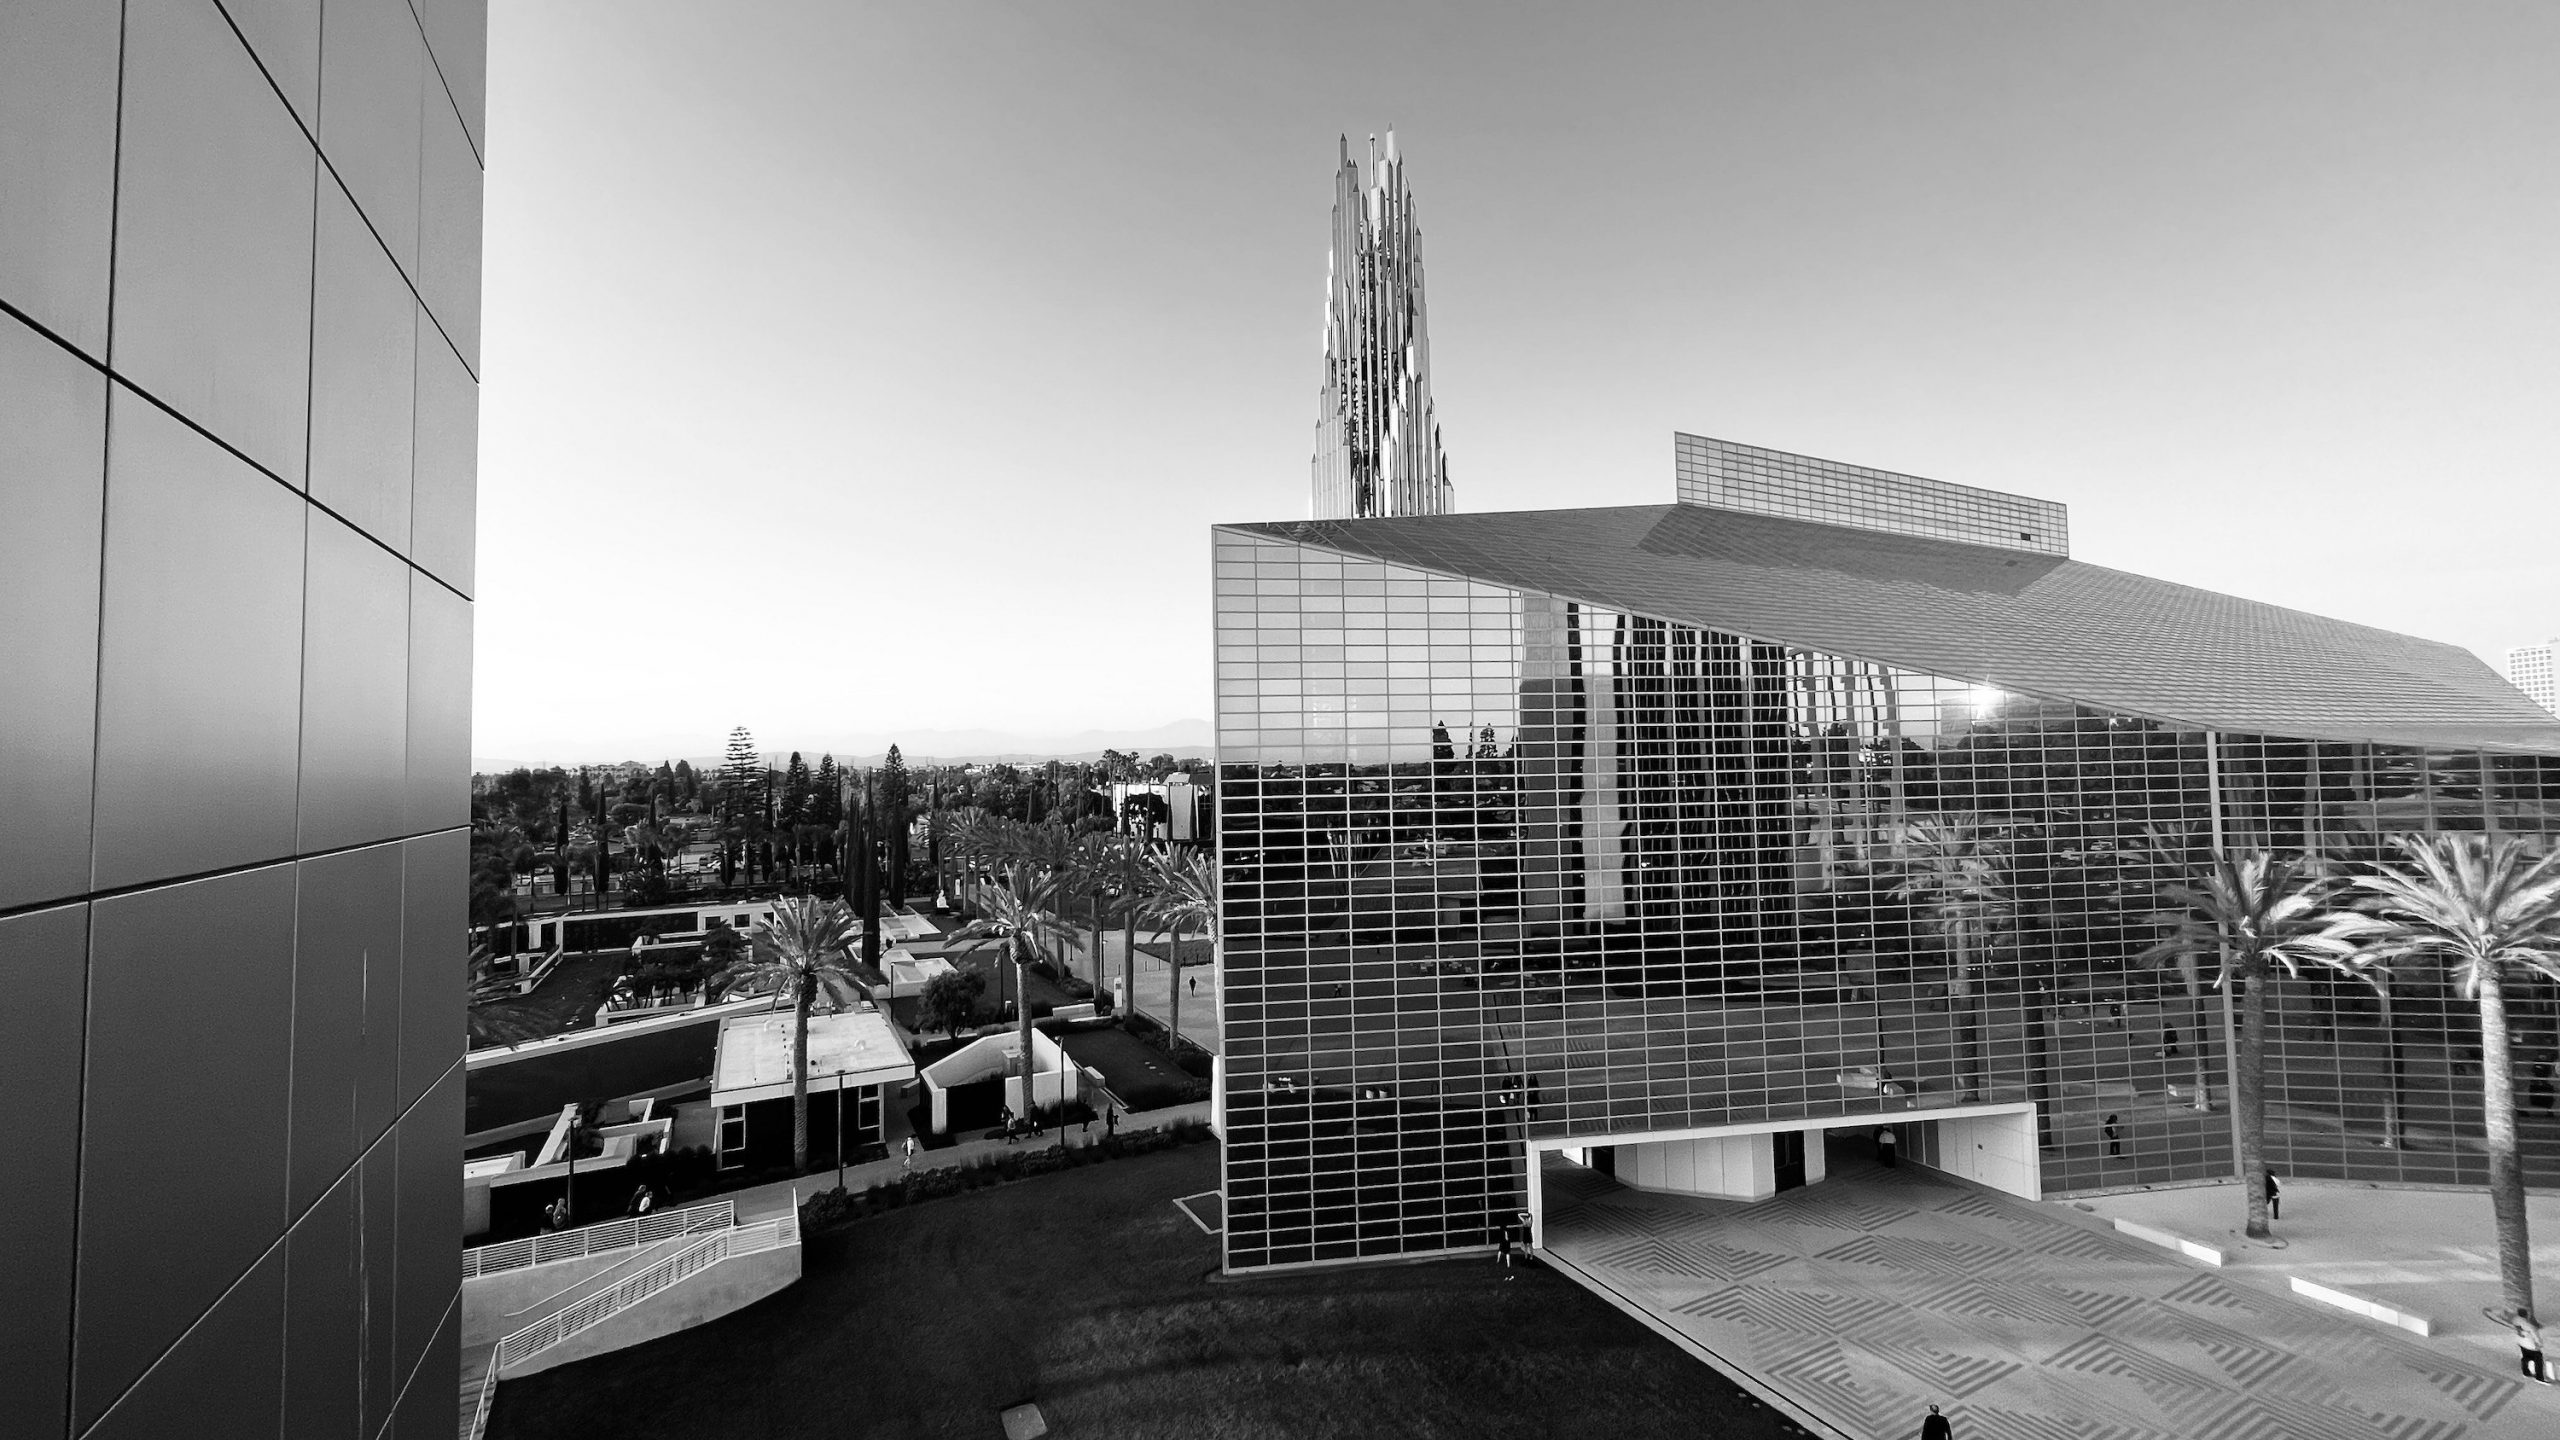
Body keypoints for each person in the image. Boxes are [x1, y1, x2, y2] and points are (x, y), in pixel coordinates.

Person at [2517, 1313, 2549, 1384]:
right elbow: (2536, 1337)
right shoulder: (2530, 1327)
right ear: (2526, 1316)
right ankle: (2539, 1377)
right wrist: (2540, 1344)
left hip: (2522, 1343)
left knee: (2525, 1357)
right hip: (2531, 1346)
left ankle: (2525, 1372)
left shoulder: (2516, 1321)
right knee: (2538, 1361)